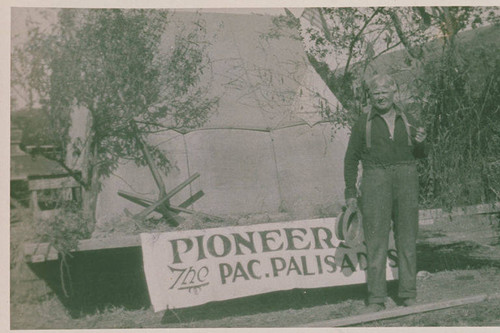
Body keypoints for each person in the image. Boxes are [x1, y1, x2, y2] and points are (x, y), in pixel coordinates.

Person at [343, 73, 427, 313]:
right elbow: (350, 160)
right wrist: (350, 190)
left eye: (384, 92)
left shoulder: (407, 118)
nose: (380, 97)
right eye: (375, 93)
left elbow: (421, 154)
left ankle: (408, 293)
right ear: (371, 96)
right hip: (375, 178)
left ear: (393, 92)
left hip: (406, 177)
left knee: (407, 236)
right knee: (376, 239)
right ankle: (376, 298)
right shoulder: (363, 122)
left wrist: (421, 142)